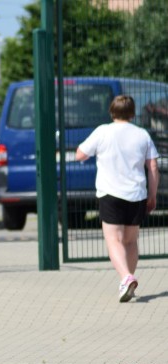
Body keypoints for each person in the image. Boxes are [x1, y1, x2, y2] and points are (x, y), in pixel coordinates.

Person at [75, 94, 159, 302]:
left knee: (113, 240)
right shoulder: (142, 135)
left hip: (110, 193)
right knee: (130, 241)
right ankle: (127, 283)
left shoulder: (103, 131)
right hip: (136, 194)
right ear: (132, 113)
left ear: (112, 111)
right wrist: (152, 195)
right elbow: (153, 166)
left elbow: (80, 154)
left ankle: (126, 277)